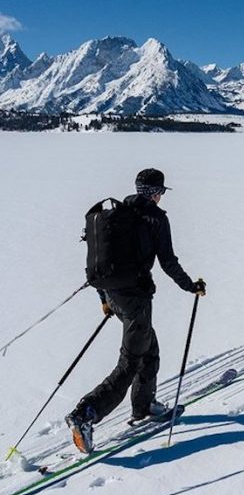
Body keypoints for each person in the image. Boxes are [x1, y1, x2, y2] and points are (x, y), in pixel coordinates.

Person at [65, 168, 205, 453]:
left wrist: (104, 298)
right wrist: (192, 286)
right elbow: (168, 262)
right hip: (135, 299)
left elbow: (100, 262)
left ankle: (144, 407)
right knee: (129, 363)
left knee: (148, 350)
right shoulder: (155, 218)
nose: (161, 197)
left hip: (114, 295)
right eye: (161, 192)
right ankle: (86, 413)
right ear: (155, 192)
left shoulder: (117, 214)